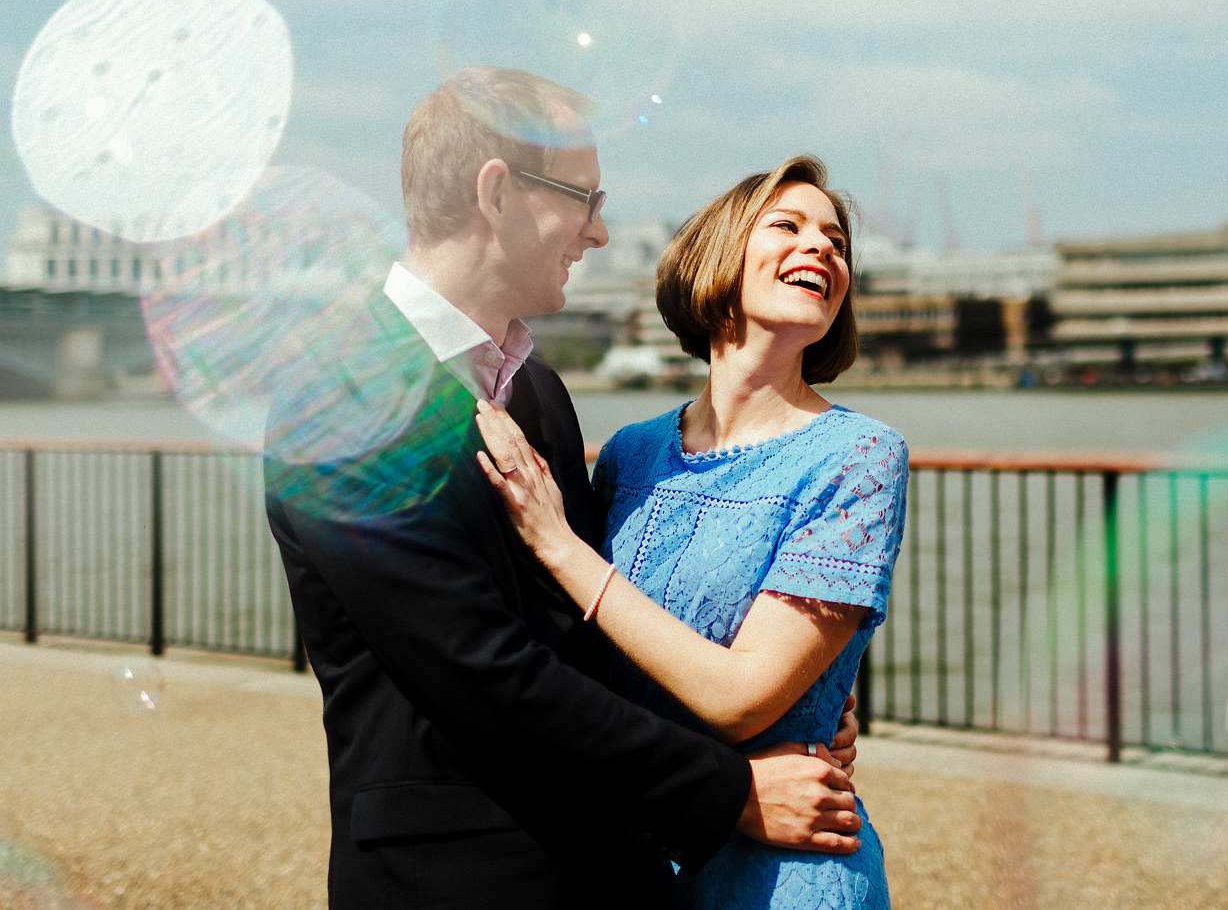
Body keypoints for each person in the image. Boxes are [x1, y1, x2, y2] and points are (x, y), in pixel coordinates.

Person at [262, 69, 864, 909]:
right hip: (457, 880)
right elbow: (485, 673)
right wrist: (731, 788)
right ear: (497, 193)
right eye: (584, 198)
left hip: (607, 867)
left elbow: (584, 639)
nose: (601, 230)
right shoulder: (342, 399)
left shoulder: (537, 387)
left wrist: (787, 712)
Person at [475, 153, 907, 909]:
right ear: (717, 257)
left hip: (781, 873)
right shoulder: (630, 453)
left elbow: (744, 696)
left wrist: (558, 544)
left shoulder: (860, 455)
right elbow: (581, 659)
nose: (823, 249)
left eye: (836, 241)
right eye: (790, 225)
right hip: (630, 855)